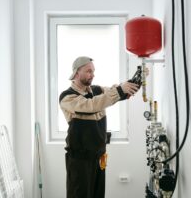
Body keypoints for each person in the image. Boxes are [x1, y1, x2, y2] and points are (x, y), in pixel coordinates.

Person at [59, 56, 140, 198]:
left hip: (99, 156)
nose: (93, 74)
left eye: (93, 71)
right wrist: (119, 90)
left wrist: (134, 83)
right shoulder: (67, 97)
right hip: (79, 160)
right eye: (89, 71)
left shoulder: (96, 90)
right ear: (77, 73)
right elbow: (92, 105)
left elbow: (114, 93)